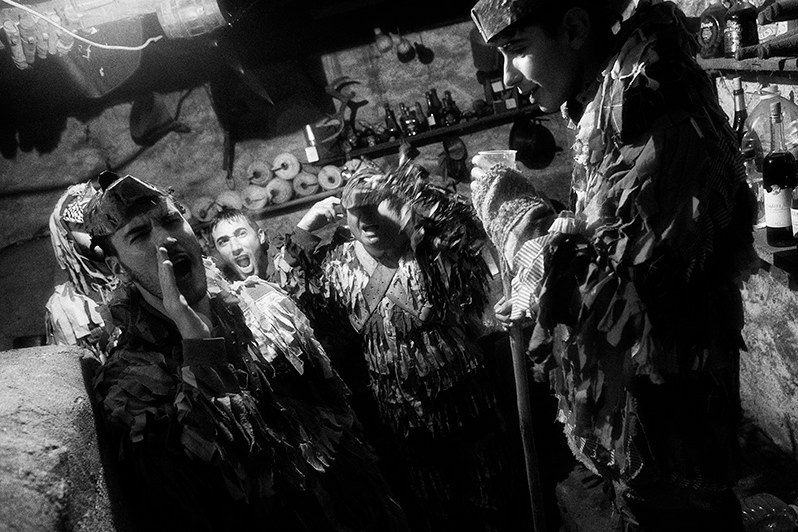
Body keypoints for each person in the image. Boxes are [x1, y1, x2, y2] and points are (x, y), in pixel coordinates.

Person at [468, 0, 759, 530]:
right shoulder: (604, 102)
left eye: (516, 49)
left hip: (673, 443)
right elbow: (603, 232)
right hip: (641, 432)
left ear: (574, 26)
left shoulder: (657, 100)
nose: (509, 78)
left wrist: (512, 214)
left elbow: (619, 290)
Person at [83, 170, 408, 532]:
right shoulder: (129, 385)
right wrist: (199, 348)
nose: (166, 239)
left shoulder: (264, 304)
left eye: (172, 220)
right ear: (118, 267)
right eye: (140, 235)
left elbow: (343, 420)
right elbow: (192, 497)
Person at [276, 160, 529, 531]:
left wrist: (405, 192)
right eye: (355, 210)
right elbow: (290, 296)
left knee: (495, 506)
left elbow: (466, 227)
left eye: (374, 205)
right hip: (407, 429)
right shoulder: (336, 265)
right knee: (437, 516)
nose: (366, 218)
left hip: (472, 412)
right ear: (344, 218)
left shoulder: (431, 248)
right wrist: (305, 228)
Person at [46, 181, 117, 360]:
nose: (93, 230)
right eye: (81, 225)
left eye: (97, 219)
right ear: (67, 240)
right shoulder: (63, 307)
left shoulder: (144, 272)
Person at [207, 207, 276, 282]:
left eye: (242, 234)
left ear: (260, 236)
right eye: (224, 242)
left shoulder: (287, 264)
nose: (235, 248)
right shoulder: (223, 290)